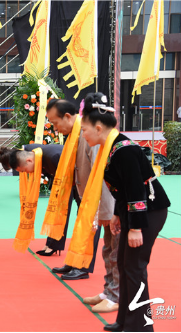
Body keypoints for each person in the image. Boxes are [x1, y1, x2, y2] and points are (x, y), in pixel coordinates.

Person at [80, 93, 170, 332]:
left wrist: (136, 227)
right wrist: (119, 216)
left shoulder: (124, 150)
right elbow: (121, 190)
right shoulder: (109, 147)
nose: (83, 134)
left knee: (135, 266)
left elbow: (136, 191)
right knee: (123, 263)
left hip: (149, 210)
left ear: (99, 128)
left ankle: (141, 326)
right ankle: (125, 321)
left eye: (85, 129)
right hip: (133, 210)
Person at [45, 99, 115, 282]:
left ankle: (82, 266)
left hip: (93, 193)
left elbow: (98, 170)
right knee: (80, 227)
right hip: (79, 187)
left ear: (68, 117)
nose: (54, 128)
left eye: (55, 123)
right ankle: (74, 261)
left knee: (90, 228)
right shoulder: (75, 132)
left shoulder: (88, 132)